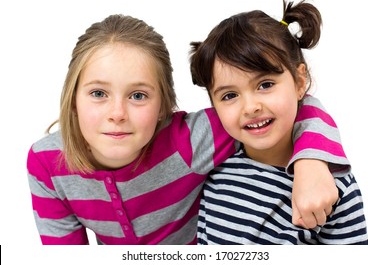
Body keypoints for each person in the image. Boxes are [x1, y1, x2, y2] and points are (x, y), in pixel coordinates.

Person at [27, 13, 348, 245]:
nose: (117, 114)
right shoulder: (46, 165)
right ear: (72, 99)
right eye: (98, 94)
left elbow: (287, 105)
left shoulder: (189, 141)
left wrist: (311, 163)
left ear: (165, 107)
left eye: (138, 95)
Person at [190, 0, 368, 244]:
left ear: (299, 81)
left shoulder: (334, 186)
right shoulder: (213, 165)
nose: (251, 107)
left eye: (265, 85)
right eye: (229, 95)